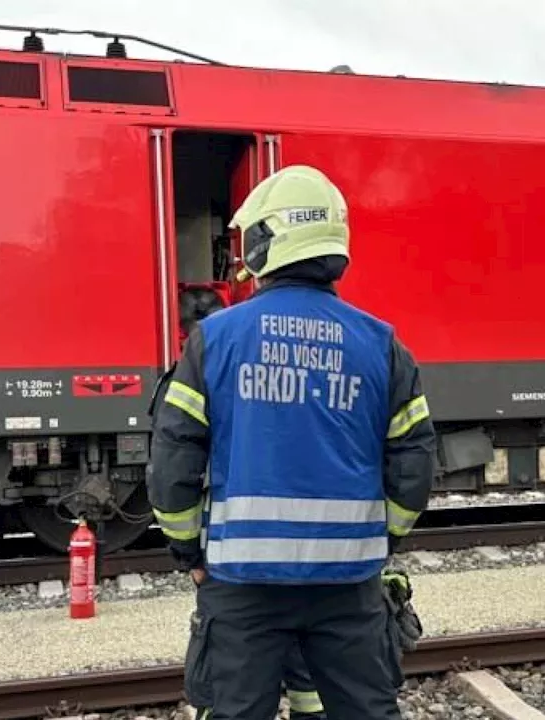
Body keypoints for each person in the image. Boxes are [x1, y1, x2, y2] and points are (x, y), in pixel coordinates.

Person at [147, 165, 437, 720]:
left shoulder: (215, 339)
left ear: (264, 242)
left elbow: (172, 466)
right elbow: (414, 465)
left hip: (241, 584)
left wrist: (189, 552)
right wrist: (383, 541)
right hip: (350, 584)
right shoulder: (382, 344)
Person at [153, 286, 329, 720]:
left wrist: (188, 553)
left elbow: (172, 472)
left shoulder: (205, 363)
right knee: (315, 688)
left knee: (234, 697)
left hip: (237, 566)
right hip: (329, 565)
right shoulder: (344, 349)